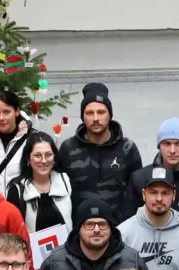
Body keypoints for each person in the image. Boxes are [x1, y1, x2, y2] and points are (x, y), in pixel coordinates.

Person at [58, 83, 143, 222]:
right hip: (79, 230)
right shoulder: (68, 148)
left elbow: (137, 192)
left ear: (110, 115)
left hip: (119, 230)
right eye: (89, 113)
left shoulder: (127, 148)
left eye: (101, 112)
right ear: (82, 117)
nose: (95, 118)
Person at [6, 131, 73, 234]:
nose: (44, 160)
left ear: (54, 157)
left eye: (48, 155)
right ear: (28, 159)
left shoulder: (65, 181)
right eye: (37, 155)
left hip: (64, 249)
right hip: (30, 249)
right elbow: (12, 232)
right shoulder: (17, 189)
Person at [0, 89, 32, 194]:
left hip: (21, 206)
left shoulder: (31, 139)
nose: (1, 118)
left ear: (16, 111)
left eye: (6, 112)